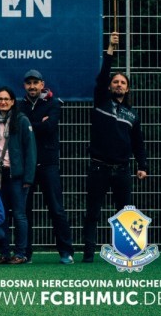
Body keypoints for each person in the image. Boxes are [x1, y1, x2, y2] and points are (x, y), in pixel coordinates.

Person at [84, 32, 149, 264]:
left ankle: (125, 254)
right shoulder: (101, 101)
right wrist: (110, 48)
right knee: (92, 213)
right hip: (99, 168)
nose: (118, 84)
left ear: (127, 89)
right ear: (110, 87)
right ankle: (89, 255)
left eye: (123, 82)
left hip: (122, 170)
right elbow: (102, 78)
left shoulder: (132, 115)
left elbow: (138, 143)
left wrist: (142, 166)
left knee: (125, 215)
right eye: (115, 82)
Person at [20, 69, 74, 264]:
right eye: (29, 83)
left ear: (42, 84)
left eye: (36, 83)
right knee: (24, 211)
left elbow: (49, 127)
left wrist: (31, 126)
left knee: (56, 209)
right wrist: (38, 125)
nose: (32, 86)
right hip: (27, 166)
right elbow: (19, 130)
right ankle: (25, 253)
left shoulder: (53, 104)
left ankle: (66, 252)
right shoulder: (20, 106)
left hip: (49, 164)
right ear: (24, 86)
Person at [0, 86, 36, 265]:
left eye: (7, 99)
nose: (3, 102)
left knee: (20, 215)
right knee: (1, 214)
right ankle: (4, 252)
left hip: (17, 176)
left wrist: (28, 177)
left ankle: (21, 253)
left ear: (13, 101)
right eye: (0, 99)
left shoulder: (21, 121)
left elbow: (30, 151)